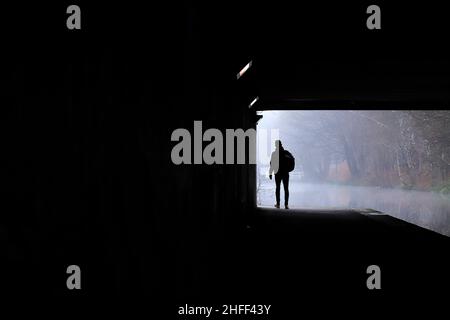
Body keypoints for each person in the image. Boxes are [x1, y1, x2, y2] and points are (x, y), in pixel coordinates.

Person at [269, 140, 290, 209]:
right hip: (285, 173)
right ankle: (286, 205)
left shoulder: (274, 153)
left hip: (277, 173)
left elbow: (271, 164)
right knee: (286, 189)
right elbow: (291, 161)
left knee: (278, 188)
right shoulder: (286, 153)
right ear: (281, 144)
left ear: (275, 145)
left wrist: (270, 173)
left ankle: (278, 204)